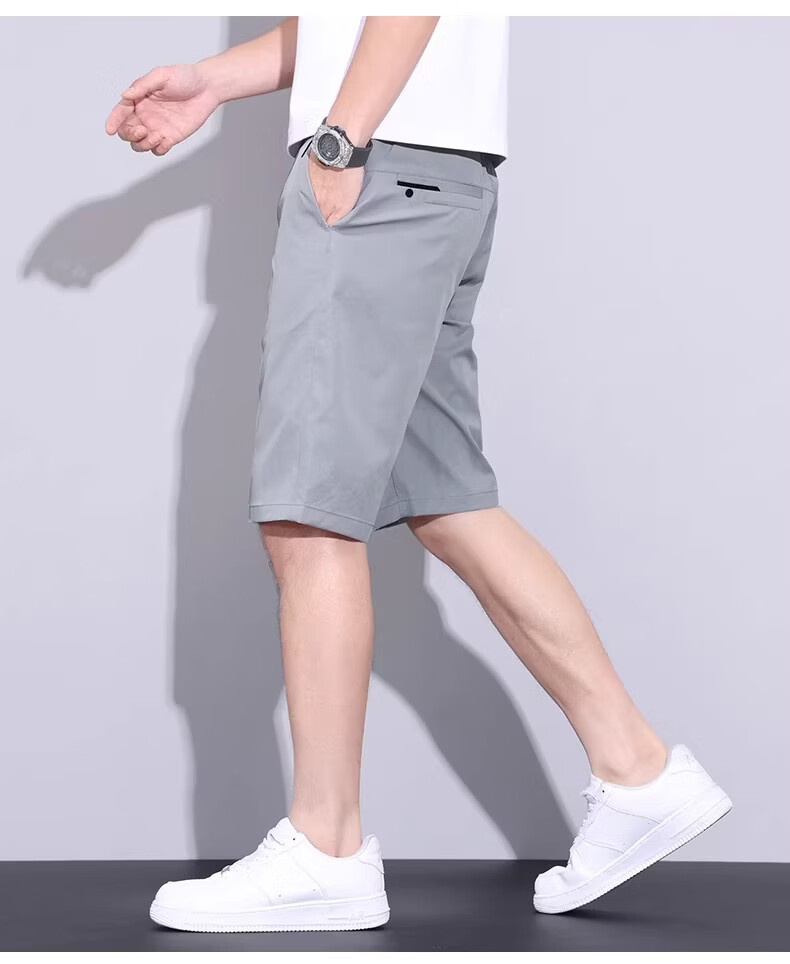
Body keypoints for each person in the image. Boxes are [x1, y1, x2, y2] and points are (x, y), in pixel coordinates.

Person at [106, 15, 731, 933]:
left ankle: (325, 848)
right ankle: (639, 771)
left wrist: (340, 138)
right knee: (447, 500)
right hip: (438, 176)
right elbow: (344, 20)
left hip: (378, 168)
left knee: (309, 514)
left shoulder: (357, 145)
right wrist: (215, 79)